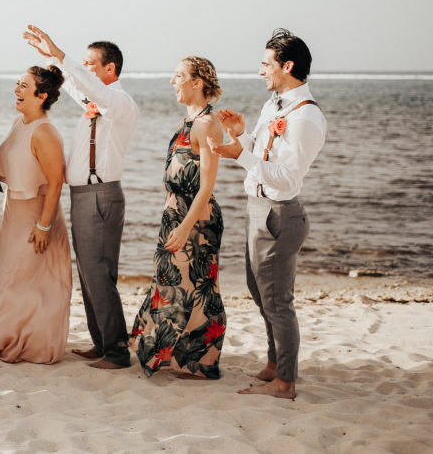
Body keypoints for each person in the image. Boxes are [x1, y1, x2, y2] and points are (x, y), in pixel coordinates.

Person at [210, 29, 326, 400]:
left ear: (287, 66)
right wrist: (241, 136)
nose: (261, 71)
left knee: (278, 300)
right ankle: (275, 363)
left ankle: (286, 382)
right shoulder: (273, 106)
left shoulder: (305, 118)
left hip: (279, 214)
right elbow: (262, 156)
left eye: (266, 64)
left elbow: (285, 177)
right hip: (256, 208)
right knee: (259, 293)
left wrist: (239, 155)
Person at [22, 25, 139, 370]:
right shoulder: (98, 101)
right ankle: (103, 343)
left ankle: (116, 352)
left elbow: (89, 90)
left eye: (91, 64)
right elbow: (81, 90)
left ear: (110, 69)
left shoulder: (120, 103)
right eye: (84, 64)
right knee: (90, 273)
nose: (86, 70)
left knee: (99, 273)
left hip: (100, 196)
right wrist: (53, 60)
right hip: (84, 196)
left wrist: (61, 55)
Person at [129, 57, 226, 379]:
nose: (173, 82)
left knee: (196, 287)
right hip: (176, 214)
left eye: (179, 76)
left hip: (195, 219)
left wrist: (185, 227)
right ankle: (177, 357)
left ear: (197, 83)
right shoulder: (189, 122)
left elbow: (208, 185)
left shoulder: (206, 124)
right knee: (172, 284)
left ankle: (198, 361)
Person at [0, 66, 71, 364]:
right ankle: (8, 341)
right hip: (12, 213)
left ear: (42, 95)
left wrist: (44, 226)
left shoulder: (45, 132)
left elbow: (56, 181)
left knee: (32, 283)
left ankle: (33, 346)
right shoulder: (18, 122)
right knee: (7, 278)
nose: (17, 91)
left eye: (24, 86)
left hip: (37, 216)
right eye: (17, 84)